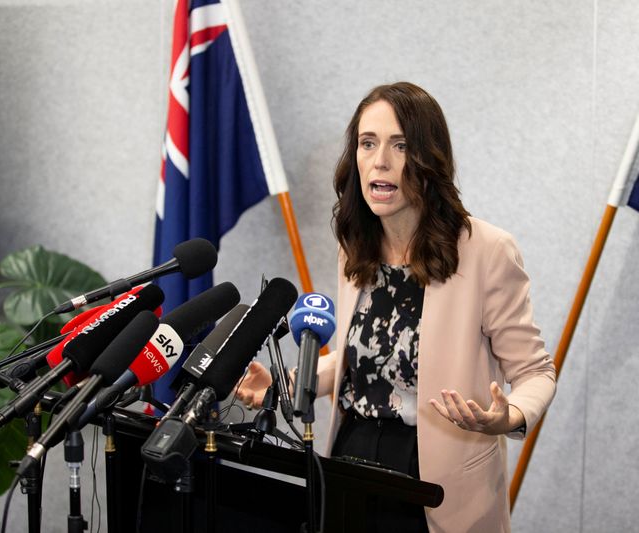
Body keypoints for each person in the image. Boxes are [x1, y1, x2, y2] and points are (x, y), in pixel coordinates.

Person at [236, 81, 556, 532]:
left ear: (428, 159)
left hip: (435, 479)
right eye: (368, 143)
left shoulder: (487, 250)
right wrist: (289, 382)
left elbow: (536, 372)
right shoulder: (356, 247)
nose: (380, 160)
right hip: (350, 458)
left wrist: (511, 417)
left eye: (399, 145)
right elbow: (363, 359)